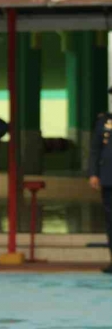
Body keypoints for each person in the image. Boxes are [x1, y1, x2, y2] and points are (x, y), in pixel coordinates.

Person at [88, 93, 112, 275]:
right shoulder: (104, 121)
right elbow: (95, 148)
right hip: (108, 177)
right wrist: (94, 173)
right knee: (110, 221)